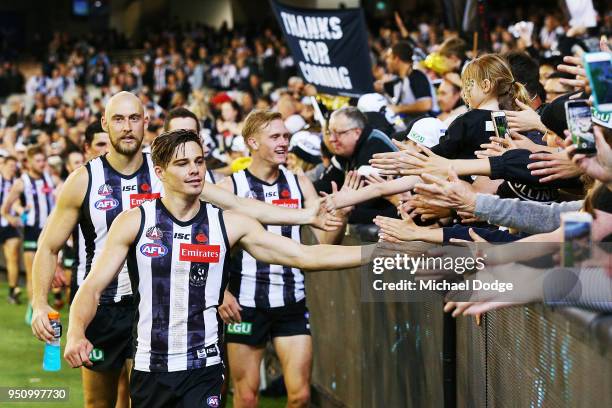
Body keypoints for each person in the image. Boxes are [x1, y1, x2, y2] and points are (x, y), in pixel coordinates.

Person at [63, 129, 373, 408]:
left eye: (198, 161)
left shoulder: (228, 224)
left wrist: (380, 251)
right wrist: (76, 332)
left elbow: (306, 256)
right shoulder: (134, 222)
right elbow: (92, 287)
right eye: (182, 164)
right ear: (160, 172)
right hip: (150, 367)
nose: (195, 170)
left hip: (204, 369)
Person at [217, 110, 349, 408]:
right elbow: (215, 248)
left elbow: (327, 241)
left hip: (291, 302)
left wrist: (338, 219)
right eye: (275, 136)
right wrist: (222, 292)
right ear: (252, 142)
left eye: (286, 137)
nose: (283, 143)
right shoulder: (231, 187)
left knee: (300, 396)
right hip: (245, 306)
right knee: (247, 397)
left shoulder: (298, 181)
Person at [2, 145, 58, 324]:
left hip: (49, 232)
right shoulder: (22, 182)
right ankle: (34, 308)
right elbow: (5, 207)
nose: (42, 164)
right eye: (39, 161)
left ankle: (40, 303)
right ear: (29, 162)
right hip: (32, 232)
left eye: (44, 160)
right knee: (33, 274)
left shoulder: (50, 178)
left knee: (48, 274)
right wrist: (12, 217)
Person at [313, 106, 398, 224]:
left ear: (357, 133)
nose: (332, 139)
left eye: (338, 133)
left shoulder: (375, 149)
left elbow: (363, 205)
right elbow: (325, 184)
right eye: (330, 132)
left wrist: (333, 206)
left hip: (394, 219)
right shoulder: (346, 150)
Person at [378, 41, 438, 123]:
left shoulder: (417, 76)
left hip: (427, 126)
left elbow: (426, 105)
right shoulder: (400, 81)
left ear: (396, 59)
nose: (387, 61)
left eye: (389, 57)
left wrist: (399, 108)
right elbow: (380, 86)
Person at [0, 156, 22, 304]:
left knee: (12, 257)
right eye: (10, 165)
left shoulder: (18, 183)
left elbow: (20, 204)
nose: (12, 167)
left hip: (10, 224)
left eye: (15, 165)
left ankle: (13, 290)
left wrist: (21, 213)